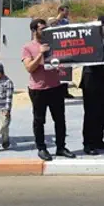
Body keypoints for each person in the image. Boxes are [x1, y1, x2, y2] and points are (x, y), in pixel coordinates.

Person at [21, 18, 76, 161]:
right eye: (42, 29)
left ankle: (61, 147)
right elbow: (29, 68)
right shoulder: (28, 47)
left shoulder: (53, 45)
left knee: (60, 119)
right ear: (34, 31)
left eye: (46, 29)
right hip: (38, 89)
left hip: (55, 87)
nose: (45, 31)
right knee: (39, 120)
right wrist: (40, 53)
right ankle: (41, 148)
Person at [80, 15, 104, 155]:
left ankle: (98, 140)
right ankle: (88, 143)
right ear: (100, 27)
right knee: (91, 114)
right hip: (92, 82)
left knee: (103, 113)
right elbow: (94, 62)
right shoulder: (91, 41)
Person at [47, 4, 75, 99]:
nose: (67, 13)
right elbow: (52, 24)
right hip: (56, 49)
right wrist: (59, 17)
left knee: (65, 70)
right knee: (56, 70)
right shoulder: (52, 19)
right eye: (66, 11)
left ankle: (65, 91)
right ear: (61, 11)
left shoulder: (66, 21)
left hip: (65, 48)